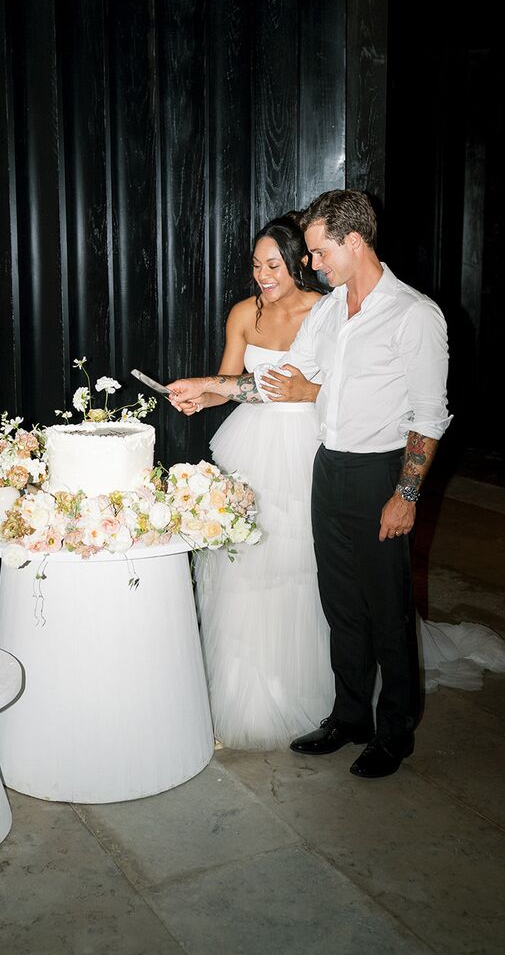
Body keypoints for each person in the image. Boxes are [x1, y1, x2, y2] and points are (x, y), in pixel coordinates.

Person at [169, 189, 452, 779]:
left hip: (381, 471)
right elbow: (279, 385)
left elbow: (428, 415)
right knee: (340, 603)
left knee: (387, 609)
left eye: (320, 252)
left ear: (353, 242)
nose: (313, 264)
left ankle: (393, 733)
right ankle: (349, 716)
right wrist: (208, 387)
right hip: (327, 465)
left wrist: (406, 494)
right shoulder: (328, 313)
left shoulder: (414, 315)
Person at [177, 215, 335, 750]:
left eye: (273, 264)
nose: (262, 275)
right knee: (244, 566)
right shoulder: (244, 313)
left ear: (298, 262)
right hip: (253, 444)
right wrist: (203, 396)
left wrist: (307, 392)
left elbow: (343, 388)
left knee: (302, 566)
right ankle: (247, 689)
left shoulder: (326, 311)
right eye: (255, 265)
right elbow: (231, 384)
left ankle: (312, 689)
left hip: (309, 446)